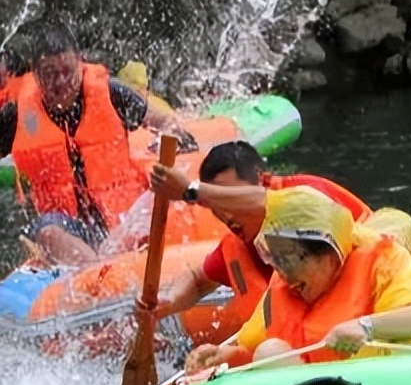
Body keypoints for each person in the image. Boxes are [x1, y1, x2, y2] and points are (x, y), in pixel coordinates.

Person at [0, 24, 194, 266]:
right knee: (46, 232)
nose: (61, 83)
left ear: (80, 63)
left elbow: (164, 120)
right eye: (50, 74)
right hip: (69, 228)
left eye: (67, 71)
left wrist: (169, 135)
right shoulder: (18, 115)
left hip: (122, 219)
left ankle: (109, 271)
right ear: (35, 73)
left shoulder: (110, 93)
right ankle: (100, 276)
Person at [179, 183, 411, 374]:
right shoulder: (283, 286)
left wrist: (366, 327)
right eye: (275, 260)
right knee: (270, 351)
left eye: (291, 260)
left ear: (329, 254)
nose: (284, 274)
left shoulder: (380, 261)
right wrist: (223, 357)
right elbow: (251, 346)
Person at [147, 141, 374, 339]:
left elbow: (266, 201)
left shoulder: (306, 197)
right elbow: (198, 279)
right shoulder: (235, 247)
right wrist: (169, 301)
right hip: (303, 349)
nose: (226, 215)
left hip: (369, 322)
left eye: (228, 197)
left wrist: (193, 191)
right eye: (216, 205)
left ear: (262, 180)